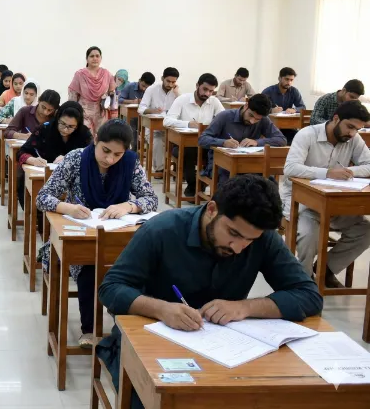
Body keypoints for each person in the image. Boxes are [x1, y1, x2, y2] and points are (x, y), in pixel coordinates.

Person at [96, 175, 323, 409]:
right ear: (212, 209)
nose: (238, 247)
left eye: (249, 241)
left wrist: (244, 307)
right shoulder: (162, 229)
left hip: (226, 350)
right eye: (233, 234)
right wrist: (161, 309)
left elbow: (308, 295)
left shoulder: (263, 238)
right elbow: (111, 288)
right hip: (150, 344)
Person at [36, 119, 158, 348]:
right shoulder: (75, 159)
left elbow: (151, 198)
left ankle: (128, 332)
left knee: (139, 271)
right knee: (91, 267)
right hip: (82, 237)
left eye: (118, 155)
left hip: (118, 236)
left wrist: (129, 206)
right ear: (95, 140)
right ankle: (89, 330)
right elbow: (43, 197)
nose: (110, 159)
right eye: (105, 151)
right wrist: (68, 207)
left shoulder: (130, 163)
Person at [282, 100, 370, 287]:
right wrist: (328, 173)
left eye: (358, 130)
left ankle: (325, 269)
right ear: (336, 118)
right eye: (350, 127)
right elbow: (290, 168)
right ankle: (304, 283)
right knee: (309, 235)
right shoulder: (307, 135)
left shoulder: (353, 139)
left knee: (366, 230)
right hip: (303, 203)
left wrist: (350, 171)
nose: (352, 133)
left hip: (335, 202)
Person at [17, 100, 91, 211]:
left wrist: (69, 158)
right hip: (44, 177)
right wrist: (33, 160)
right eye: (62, 124)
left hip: (73, 181)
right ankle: (39, 223)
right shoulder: (45, 129)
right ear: (57, 118)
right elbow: (22, 152)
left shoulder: (84, 134)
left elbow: (91, 157)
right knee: (24, 182)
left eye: (71, 127)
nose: (66, 129)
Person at [199, 93, 286, 183]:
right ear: (246, 105)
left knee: (268, 182)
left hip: (248, 163)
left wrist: (257, 142)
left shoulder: (264, 120)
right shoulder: (224, 116)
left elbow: (281, 139)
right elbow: (202, 139)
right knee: (231, 182)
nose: (252, 121)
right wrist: (223, 142)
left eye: (257, 119)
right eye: (251, 115)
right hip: (220, 164)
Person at [163, 73, 225, 196]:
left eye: (211, 91)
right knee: (189, 153)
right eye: (205, 89)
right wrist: (188, 124)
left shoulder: (214, 102)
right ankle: (193, 185)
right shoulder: (182, 99)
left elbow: (224, 119)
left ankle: (203, 185)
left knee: (219, 155)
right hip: (182, 145)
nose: (207, 94)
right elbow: (167, 121)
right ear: (197, 85)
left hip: (206, 144)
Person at [138, 67, 180, 173]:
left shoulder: (176, 92)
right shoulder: (151, 89)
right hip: (153, 129)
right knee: (157, 139)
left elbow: (182, 111)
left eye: (173, 82)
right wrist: (153, 111)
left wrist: (177, 95)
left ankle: (179, 171)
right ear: (162, 78)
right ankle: (159, 170)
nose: (170, 84)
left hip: (170, 129)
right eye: (168, 81)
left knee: (181, 141)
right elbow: (141, 108)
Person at [68, 46, 117, 134]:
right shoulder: (80, 74)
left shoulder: (107, 74)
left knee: (100, 137)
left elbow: (112, 93)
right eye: (92, 56)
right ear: (87, 59)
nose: (95, 58)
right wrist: (72, 112)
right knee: (86, 136)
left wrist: (109, 102)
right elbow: (73, 94)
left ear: (101, 58)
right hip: (84, 111)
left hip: (101, 112)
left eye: (97, 56)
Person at [119, 72, 156, 150]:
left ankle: (141, 152)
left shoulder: (152, 90)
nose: (144, 89)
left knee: (150, 133)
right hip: (131, 116)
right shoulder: (130, 86)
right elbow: (120, 99)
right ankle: (133, 150)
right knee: (132, 133)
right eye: (143, 86)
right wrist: (132, 101)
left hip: (144, 117)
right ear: (139, 80)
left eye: (147, 87)